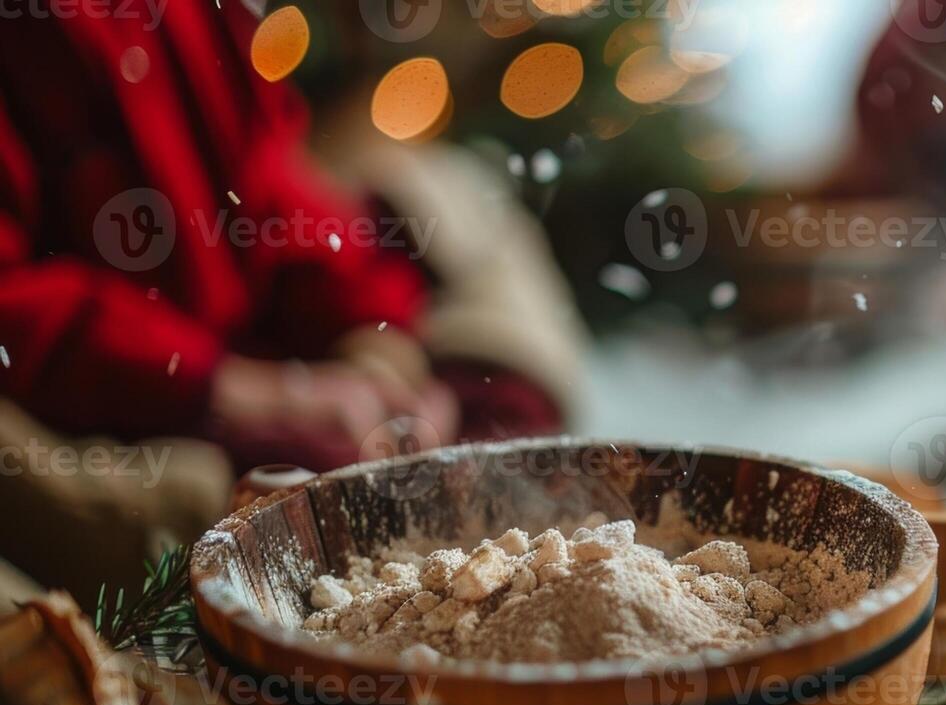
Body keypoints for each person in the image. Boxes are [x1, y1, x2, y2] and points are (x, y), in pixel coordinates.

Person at [0, 3, 578, 605]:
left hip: (243, 351)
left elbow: (273, 190)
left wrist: (373, 348)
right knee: (302, 491)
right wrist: (244, 390)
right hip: (112, 404)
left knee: (497, 380)